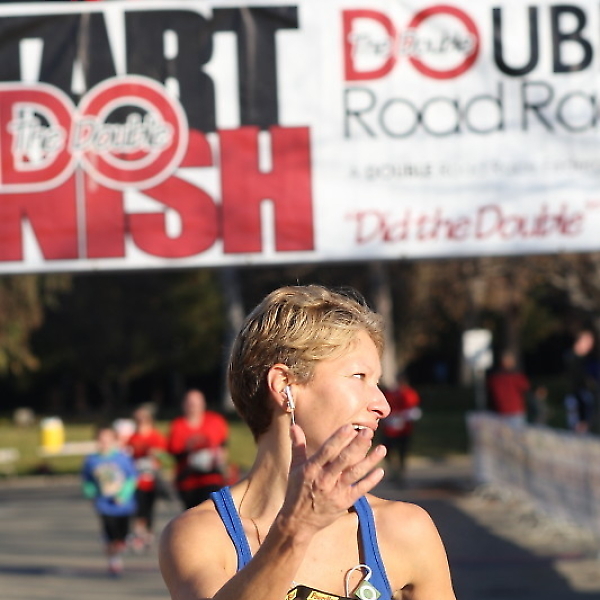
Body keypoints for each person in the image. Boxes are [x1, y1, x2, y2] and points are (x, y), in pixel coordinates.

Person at [160, 285, 456, 600]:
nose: (382, 405)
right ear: (284, 386)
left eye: (377, 382)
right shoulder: (202, 536)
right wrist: (295, 530)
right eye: (359, 376)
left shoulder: (403, 530)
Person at [81, 426, 138, 577]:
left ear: (114, 440)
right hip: (104, 504)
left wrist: (123, 495)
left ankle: (122, 542)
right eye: (101, 439)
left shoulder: (122, 458)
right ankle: (114, 560)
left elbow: (132, 478)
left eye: (108, 439)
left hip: (123, 505)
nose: (104, 443)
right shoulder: (91, 460)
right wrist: (91, 494)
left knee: (122, 536)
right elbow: (87, 480)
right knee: (110, 534)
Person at [167, 389, 229, 510]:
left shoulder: (215, 421)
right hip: (188, 481)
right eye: (190, 404)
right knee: (192, 514)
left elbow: (223, 447)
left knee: (211, 513)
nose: (194, 407)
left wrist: (220, 462)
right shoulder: (178, 425)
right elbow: (175, 453)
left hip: (211, 478)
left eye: (197, 403)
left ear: (203, 404)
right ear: (184, 405)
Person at [126, 404, 168, 551]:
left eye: (143, 419)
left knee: (149, 508)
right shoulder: (133, 438)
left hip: (152, 479)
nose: (140, 422)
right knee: (138, 509)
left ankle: (148, 533)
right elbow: (127, 456)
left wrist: (156, 456)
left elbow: (164, 457)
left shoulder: (156, 436)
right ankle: (139, 534)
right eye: (137, 419)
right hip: (137, 480)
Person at [381, 373, 422, 481]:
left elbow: (413, 410)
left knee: (402, 451)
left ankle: (400, 472)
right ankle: (392, 470)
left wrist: (402, 416)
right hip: (390, 429)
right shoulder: (391, 394)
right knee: (388, 450)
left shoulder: (410, 393)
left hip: (404, 429)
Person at [564, 330, 598, 433]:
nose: (590, 346)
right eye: (587, 342)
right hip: (575, 403)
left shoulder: (586, 361)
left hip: (583, 405)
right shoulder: (569, 358)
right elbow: (572, 386)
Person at [486, 350, 530, 427]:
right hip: (504, 412)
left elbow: (526, 389)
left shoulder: (516, 376)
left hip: (511, 412)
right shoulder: (496, 377)